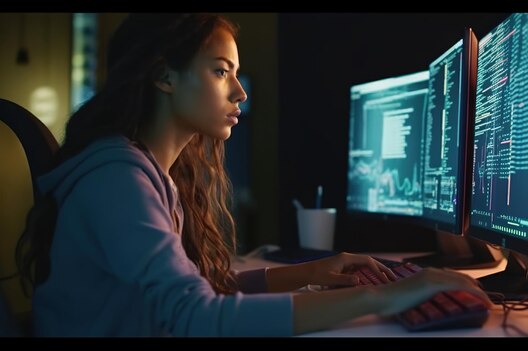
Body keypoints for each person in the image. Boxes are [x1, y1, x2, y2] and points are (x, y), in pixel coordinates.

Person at [16, 13, 488, 336]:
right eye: (222, 72)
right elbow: (197, 317)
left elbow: (192, 288)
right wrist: (386, 299)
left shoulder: (144, 172)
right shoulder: (118, 180)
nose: (240, 92)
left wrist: (311, 272)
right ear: (164, 76)